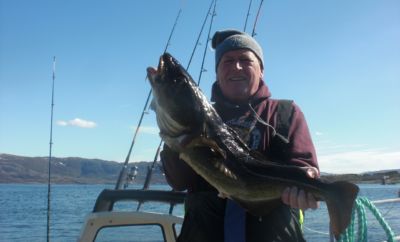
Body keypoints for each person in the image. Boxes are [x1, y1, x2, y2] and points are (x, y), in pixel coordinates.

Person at [160, 29, 320, 242]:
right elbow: (179, 182)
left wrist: (306, 182)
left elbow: (303, 165)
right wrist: (174, 143)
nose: (236, 66)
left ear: (261, 70)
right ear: (217, 72)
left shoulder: (284, 113)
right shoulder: (197, 116)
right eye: (227, 61)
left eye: (245, 60)